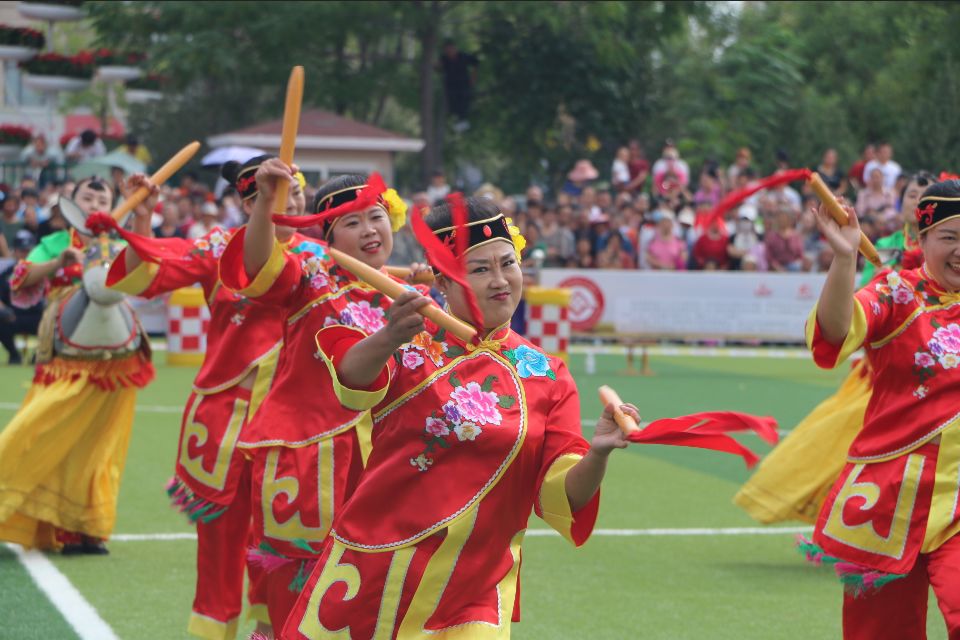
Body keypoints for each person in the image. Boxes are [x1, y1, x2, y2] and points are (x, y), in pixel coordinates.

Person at [280, 195, 634, 638]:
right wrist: (389, 336)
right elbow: (352, 381)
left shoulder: (547, 373)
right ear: (444, 283)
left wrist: (598, 454)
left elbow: (558, 496)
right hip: (377, 568)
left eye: (508, 263)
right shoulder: (409, 337)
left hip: (475, 590)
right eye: (480, 270)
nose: (501, 280)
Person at [107, 156, 312, 640]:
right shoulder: (221, 248)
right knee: (220, 549)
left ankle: (272, 631)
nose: (296, 201)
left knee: (286, 547)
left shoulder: (321, 257)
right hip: (226, 425)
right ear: (249, 201)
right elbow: (149, 275)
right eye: (283, 192)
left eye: (298, 190)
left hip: (294, 429)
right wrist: (142, 218)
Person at [218, 163, 423, 632]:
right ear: (328, 236)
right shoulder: (309, 270)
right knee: (297, 590)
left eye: (375, 216)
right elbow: (254, 266)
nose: (369, 230)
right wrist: (268, 204)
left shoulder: (408, 294)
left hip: (383, 460)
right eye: (352, 222)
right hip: (310, 457)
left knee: (371, 589)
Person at [801, 181, 960, 639]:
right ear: (922, 238)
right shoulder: (897, 292)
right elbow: (834, 330)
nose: (959, 250)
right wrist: (845, 259)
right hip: (888, 499)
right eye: (949, 237)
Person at [735, 172, 935, 525]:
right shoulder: (885, 244)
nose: (915, 204)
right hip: (880, 369)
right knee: (839, 445)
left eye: (923, 198)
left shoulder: (941, 252)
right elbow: (860, 301)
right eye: (910, 196)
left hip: (929, 369)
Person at [0, 177, 154, 554]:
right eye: (88, 195)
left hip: (117, 362)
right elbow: (20, 279)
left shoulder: (120, 244)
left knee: (100, 448)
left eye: (103, 196)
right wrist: (59, 261)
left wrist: (142, 217)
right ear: (70, 202)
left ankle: (85, 529)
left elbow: (148, 269)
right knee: (35, 428)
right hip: (65, 361)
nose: (96, 201)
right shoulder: (55, 241)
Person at [0, 230, 43, 364]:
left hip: (38, 317)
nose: (25, 254)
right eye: (21, 251)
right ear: (15, 252)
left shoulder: (43, 272)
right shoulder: (6, 273)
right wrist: (3, 310)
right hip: (13, 316)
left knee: (55, 323)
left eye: (28, 251)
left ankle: (38, 355)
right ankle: (14, 355)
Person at [438, 39, 479, 132]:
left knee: (464, 103)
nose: (449, 52)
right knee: (453, 105)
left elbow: (475, 63)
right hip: (451, 86)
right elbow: (439, 68)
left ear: (454, 48)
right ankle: (458, 122)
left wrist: (473, 77)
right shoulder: (444, 59)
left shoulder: (463, 56)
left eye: (450, 49)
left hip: (463, 84)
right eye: (447, 50)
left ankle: (463, 121)